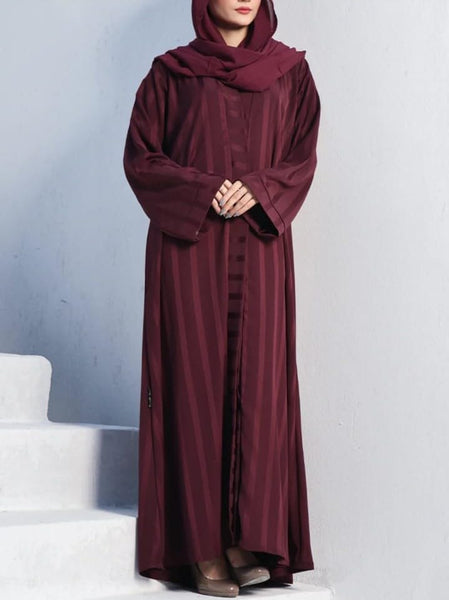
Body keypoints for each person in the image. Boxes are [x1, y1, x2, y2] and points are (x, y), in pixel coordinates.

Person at [122, 0, 321, 596]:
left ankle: (246, 539)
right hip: (190, 251)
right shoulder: (170, 73)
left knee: (259, 390)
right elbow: (141, 158)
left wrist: (259, 189)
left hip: (260, 250)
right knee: (193, 387)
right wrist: (203, 189)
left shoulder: (291, 73)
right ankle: (201, 548)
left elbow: (301, 155)